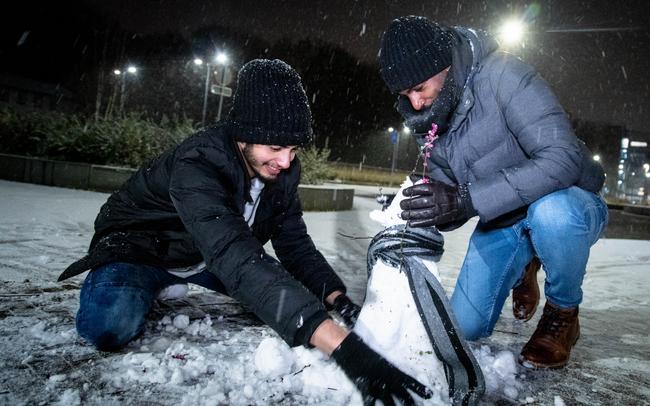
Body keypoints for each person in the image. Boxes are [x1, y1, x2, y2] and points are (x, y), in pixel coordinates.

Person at [59, 59, 430, 404]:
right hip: (141, 249)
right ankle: (144, 283)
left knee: (287, 304)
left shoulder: (281, 170)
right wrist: (348, 352)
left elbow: (294, 243)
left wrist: (338, 301)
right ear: (244, 136)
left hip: (204, 257)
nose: (286, 160)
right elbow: (234, 256)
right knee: (108, 326)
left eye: (294, 149)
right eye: (276, 147)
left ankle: (180, 281)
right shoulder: (198, 164)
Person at [378, 16, 608, 369]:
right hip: (507, 216)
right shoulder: (434, 120)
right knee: (464, 327)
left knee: (552, 216)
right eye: (405, 94)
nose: (417, 103)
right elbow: (448, 194)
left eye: (419, 88)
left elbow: (563, 158)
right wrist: (423, 208)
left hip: (569, 199)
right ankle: (525, 267)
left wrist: (466, 199)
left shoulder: (504, 76)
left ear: (445, 66)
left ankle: (563, 313)